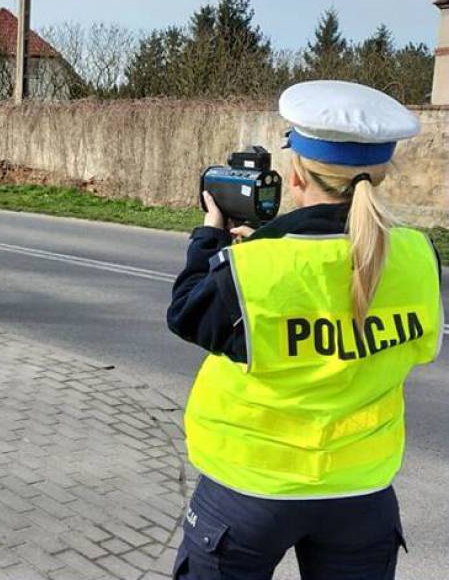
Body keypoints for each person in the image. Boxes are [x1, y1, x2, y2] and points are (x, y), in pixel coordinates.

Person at [167, 81, 443, 580]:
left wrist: (209, 237)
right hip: (361, 491)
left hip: (250, 489)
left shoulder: (255, 267)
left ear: (295, 175)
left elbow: (187, 313)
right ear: (382, 174)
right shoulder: (418, 256)